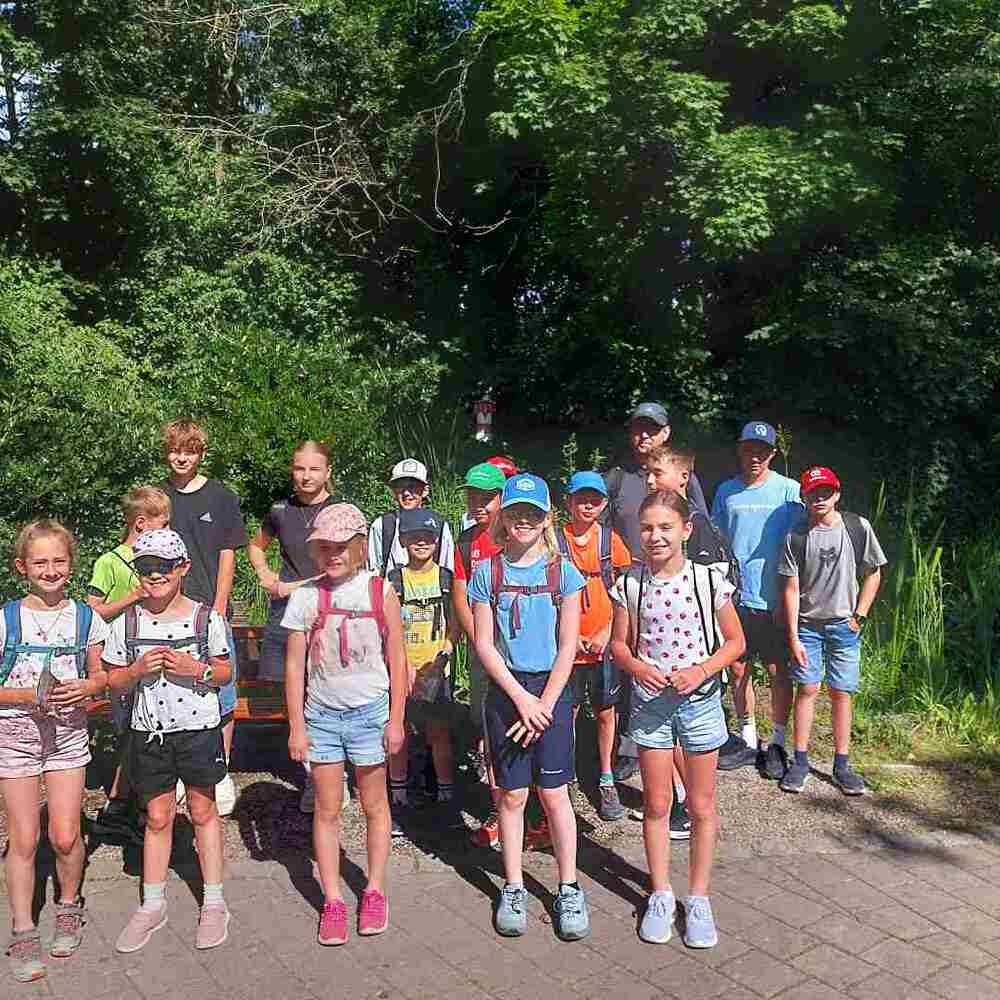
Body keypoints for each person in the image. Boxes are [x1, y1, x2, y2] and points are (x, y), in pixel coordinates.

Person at [610, 491, 745, 949]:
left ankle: (699, 898)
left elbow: (735, 642)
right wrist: (639, 668)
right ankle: (661, 893)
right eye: (647, 528)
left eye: (666, 527)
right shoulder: (629, 584)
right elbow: (619, 646)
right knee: (656, 804)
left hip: (700, 702)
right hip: (651, 706)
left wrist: (702, 670)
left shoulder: (708, 581)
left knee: (702, 807)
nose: (655, 536)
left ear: (686, 530)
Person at [468, 474, 590, 941]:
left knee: (555, 794)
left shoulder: (564, 574)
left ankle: (569, 886)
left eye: (533, 513)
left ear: (546, 519)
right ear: (503, 517)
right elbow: (484, 643)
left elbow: (568, 646)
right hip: (507, 693)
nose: (524, 520)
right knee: (511, 796)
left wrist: (544, 704)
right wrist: (521, 700)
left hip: (552, 692)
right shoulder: (487, 573)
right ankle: (514, 885)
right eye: (516, 512)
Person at [282, 504, 407, 946]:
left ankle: (373, 890)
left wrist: (396, 719)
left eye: (341, 546)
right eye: (324, 547)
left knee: (375, 804)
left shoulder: (379, 591)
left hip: (371, 712)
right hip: (322, 715)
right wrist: (297, 725)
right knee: (327, 808)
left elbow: (397, 658)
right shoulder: (305, 597)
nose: (333, 554)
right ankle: (333, 899)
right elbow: (294, 667)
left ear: (359, 548)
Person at [103, 529, 233, 954]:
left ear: (183, 568)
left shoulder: (206, 618)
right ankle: (152, 903)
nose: (155, 574)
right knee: (158, 816)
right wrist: (136, 671)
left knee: (203, 810)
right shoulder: (127, 623)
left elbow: (224, 673)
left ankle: (214, 901)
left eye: (164, 566)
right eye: (146, 567)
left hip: (198, 729)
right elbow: (113, 680)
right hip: (150, 732)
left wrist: (196, 670)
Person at [1, 520, 109, 983]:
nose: (50, 570)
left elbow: (102, 676)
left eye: (59, 561)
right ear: (22, 566)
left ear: (71, 564)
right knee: (24, 838)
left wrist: (88, 686)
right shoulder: (6, 618)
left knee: (65, 835)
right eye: (40, 562)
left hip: (67, 735)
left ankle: (68, 904)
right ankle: (23, 929)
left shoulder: (86, 618)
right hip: (15, 734)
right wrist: (30, 696)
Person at [604, 402, 709, 782]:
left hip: (675, 591)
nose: (644, 435)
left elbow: (698, 529)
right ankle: (631, 745)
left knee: (669, 669)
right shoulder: (617, 478)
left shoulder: (681, 479)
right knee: (632, 664)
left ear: (666, 433)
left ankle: (680, 766)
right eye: (638, 428)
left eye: (652, 428)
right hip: (630, 587)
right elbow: (602, 534)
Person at [779, 467, 887, 795]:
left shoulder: (857, 527)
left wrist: (860, 615)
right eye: (813, 493)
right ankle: (800, 761)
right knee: (808, 688)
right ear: (804, 497)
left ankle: (842, 764)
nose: (820, 498)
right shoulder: (796, 536)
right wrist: (793, 636)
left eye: (826, 492)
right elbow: (791, 589)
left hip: (844, 626)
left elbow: (874, 572)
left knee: (841, 692)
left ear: (837, 494)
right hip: (807, 627)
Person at [160, 419, 247, 816]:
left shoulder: (221, 496)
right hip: (166, 611)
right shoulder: (158, 497)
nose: (181, 457)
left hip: (209, 609)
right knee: (175, 689)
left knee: (221, 691)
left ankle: (219, 770)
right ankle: (182, 771)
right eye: (175, 450)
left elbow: (229, 553)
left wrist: (220, 605)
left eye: (189, 451)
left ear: (201, 453)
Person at [247, 440, 337, 813]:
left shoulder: (339, 512)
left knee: (327, 692)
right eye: (300, 468)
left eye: (314, 469)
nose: (306, 476)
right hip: (287, 615)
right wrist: (265, 574)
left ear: (328, 472)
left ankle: (331, 774)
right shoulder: (280, 511)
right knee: (295, 694)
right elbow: (256, 546)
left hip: (330, 613)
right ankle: (312, 774)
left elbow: (347, 566)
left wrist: (292, 586)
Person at [711, 421, 804, 775]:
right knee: (737, 669)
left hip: (776, 597)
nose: (755, 456)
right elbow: (717, 542)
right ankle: (748, 740)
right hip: (736, 597)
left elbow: (801, 546)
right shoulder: (727, 492)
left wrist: (790, 597)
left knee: (778, 671)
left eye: (762, 451)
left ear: (772, 454)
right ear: (740, 450)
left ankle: (777, 743)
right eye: (749, 449)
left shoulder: (789, 491)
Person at [87, 486, 171, 839]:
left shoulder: (160, 560)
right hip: (121, 662)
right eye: (162, 524)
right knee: (132, 735)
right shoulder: (109, 562)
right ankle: (125, 809)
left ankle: (128, 806)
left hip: (152, 658)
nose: (168, 531)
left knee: (148, 732)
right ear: (140, 523)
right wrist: (132, 596)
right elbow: (92, 612)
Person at [557, 472, 631, 821]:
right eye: (581, 499)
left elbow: (626, 592)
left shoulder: (610, 540)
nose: (587, 506)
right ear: (568, 501)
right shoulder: (555, 540)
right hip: (567, 645)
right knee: (566, 712)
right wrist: (568, 636)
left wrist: (607, 632)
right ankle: (565, 775)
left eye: (595, 500)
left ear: (603, 504)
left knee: (605, 712)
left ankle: (606, 777)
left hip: (603, 644)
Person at [386, 508, 461, 833]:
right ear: (403, 541)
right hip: (400, 668)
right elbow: (387, 628)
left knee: (438, 731)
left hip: (437, 669)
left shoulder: (446, 579)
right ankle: (398, 794)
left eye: (427, 537)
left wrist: (444, 654)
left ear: (437, 541)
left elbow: (456, 623)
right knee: (399, 730)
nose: (421, 542)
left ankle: (445, 794)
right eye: (414, 536)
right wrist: (402, 665)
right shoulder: (392, 581)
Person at [452, 461, 508, 847]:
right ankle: (497, 809)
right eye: (473, 496)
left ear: (502, 497)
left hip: (518, 652)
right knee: (487, 728)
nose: (478, 504)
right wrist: (480, 642)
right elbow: (460, 594)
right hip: (482, 651)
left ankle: (534, 812)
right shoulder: (466, 541)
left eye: (487, 497)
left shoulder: (516, 535)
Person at [367, 459, 455, 577]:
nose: (406, 493)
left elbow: (448, 570)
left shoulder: (440, 526)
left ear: (425, 491)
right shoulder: (381, 526)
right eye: (400, 486)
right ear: (393, 491)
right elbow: (374, 572)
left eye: (412, 486)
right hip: (391, 587)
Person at [461, 457, 519, 531]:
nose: (505, 484)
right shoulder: (469, 525)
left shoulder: (517, 530)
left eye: (508, 478)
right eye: (472, 498)